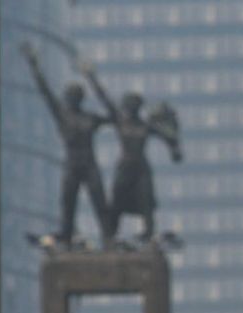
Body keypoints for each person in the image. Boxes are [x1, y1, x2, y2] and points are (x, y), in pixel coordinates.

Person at [21, 43, 112, 245]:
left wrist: (92, 77)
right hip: (72, 165)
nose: (70, 99)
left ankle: (108, 237)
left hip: (89, 164)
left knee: (100, 203)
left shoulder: (90, 118)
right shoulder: (63, 116)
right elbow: (45, 92)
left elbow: (113, 115)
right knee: (68, 205)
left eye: (74, 96)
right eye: (69, 96)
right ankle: (67, 236)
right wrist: (34, 66)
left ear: (80, 98)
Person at [81, 62, 182, 242]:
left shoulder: (145, 126)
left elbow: (169, 137)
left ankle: (149, 234)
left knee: (146, 203)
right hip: (125, 168)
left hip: (141, 169)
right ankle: (110, 236)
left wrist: (174, 149)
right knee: (116, 203)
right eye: (129, 105)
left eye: (134, 105)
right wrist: (90, 77)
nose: (130, 108)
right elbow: (104, 98)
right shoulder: (121, 122)